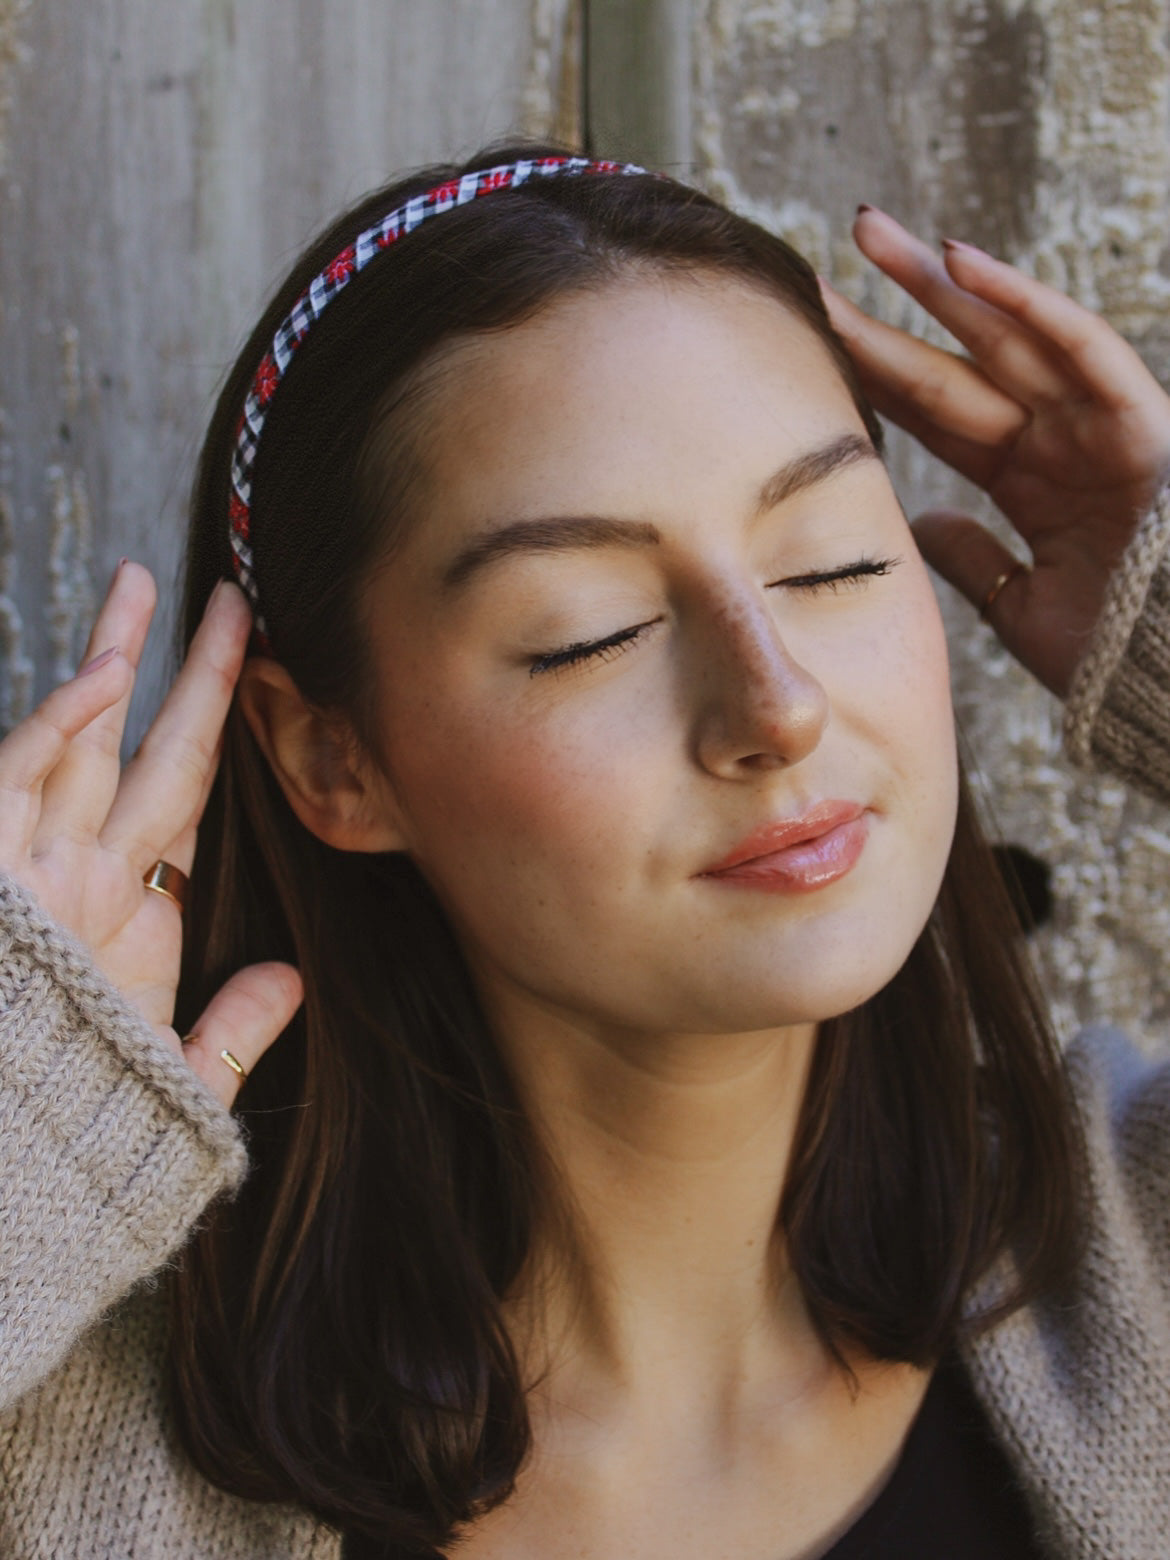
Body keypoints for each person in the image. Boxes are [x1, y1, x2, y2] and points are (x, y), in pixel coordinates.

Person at [1, 143, 1168, 1560]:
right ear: (333, 758)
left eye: (832, 563)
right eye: (590, 631)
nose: (778, 706)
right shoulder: (74, 1438)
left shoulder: (1129, 1252)